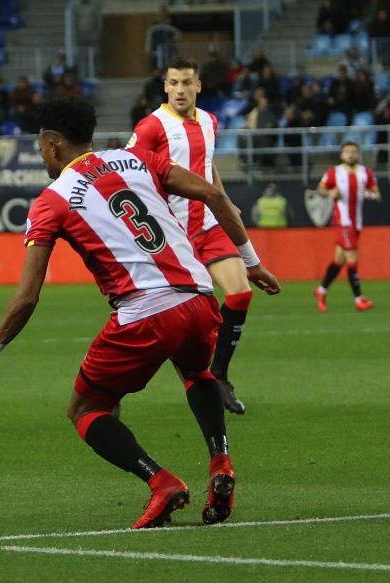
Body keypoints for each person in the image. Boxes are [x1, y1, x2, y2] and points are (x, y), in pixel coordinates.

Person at [0, 96, 280, 530]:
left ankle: (161, 483)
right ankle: (221, 463)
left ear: (51, 145)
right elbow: (214, 193)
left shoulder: (52, 201)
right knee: (197, 373)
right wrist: (250, 262)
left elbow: (27, 297)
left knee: (85, 407)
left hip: (146, 310)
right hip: (198, 296)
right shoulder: (137, 158)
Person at [128, 56, 264, 415]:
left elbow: (207, 165)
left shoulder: (209, 121)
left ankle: (219, 375)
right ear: (165, 87)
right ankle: (127, 385)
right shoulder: (150, 128)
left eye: (187, 82)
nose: (180, 90)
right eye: (174, 83)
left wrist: (224, 201)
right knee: (183, 322)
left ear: (198, 86)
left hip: (207, 225)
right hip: (173, 238)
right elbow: (130, 175)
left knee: (240, 293)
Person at [314, 141, 380, 312]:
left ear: (358, 154)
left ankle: (321, 290)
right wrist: (330, 192)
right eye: (347, 151)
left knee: (339, 260)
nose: (350, 154)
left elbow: (377, 194)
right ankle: (359, 299)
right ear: (342, 155)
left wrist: (365, 193)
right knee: (352, 259)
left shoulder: (366, 173)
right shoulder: (334, 172)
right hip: (343, 222)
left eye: (353, 151)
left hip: (357, 222)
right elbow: (320, 189)